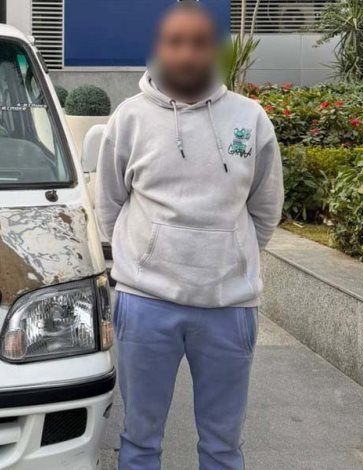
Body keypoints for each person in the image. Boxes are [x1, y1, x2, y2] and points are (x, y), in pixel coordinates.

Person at [95, 3, 283, 470]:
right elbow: (109, 203)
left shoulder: (250, 119)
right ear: (160, 48)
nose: (186, 54)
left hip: (229, 307)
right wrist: (135, 264)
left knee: (222, 446)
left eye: (199, 43)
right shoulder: (129, 118)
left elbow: (265, 208)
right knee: (140, 440)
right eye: (175, 42)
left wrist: (231, 256)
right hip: (145, 304)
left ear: (214, 50)